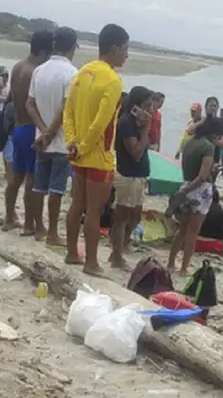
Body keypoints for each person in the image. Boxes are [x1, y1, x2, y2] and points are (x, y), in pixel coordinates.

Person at [64, 23, 130, 276]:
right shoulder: (113, 80)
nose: (126, 54)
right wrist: (82, 147)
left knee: (76, 204)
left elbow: (68, 110)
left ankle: (72, 252)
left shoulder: (82, 72)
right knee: (93, 210)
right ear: (114, 48)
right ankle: (91, 262)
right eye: (125, 48)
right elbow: (101, 123)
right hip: (98, 156)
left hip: (77, 153)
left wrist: (72, 142)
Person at [27, 27, 79, 244]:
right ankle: (52, 233)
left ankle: (39, 227)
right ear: (73, 47)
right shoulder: (72, 73)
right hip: (58, 140)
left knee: (39, 186)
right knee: (56, 189)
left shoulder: (39, 70)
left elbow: (29, 103)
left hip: (41, 138)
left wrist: (42, 130)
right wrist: (49, 133)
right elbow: (66, 108)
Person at [4, 30, 54, 232]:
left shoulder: (18, 67)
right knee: (32, 179)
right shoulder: (35, 71)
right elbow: (31, 104)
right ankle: (29, 223)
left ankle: (9, 216)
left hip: (18, 126)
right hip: (30, 127)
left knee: (17, 176)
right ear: (44, 50)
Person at [167, 117, 223, 275]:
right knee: (193, 232)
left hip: (186, 183)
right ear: (214, 134)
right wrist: (211, 171)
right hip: (200, 190)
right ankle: (184, 268)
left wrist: (184, 190)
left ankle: (171, 263)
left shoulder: (188, 143)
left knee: (182, 230)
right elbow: (202, 176)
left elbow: (188, 169)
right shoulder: (208, 147)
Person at [109, 86, 154, 268]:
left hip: (138, 176)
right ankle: (117, 255)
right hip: (128, 175)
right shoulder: (126, 123)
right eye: (148, 106)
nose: (151, 110)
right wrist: (146, 130)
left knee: (135, 216)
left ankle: (119, 248)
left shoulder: (135, 123)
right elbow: (135, 153)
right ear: (138, 105)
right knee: (122, 217)